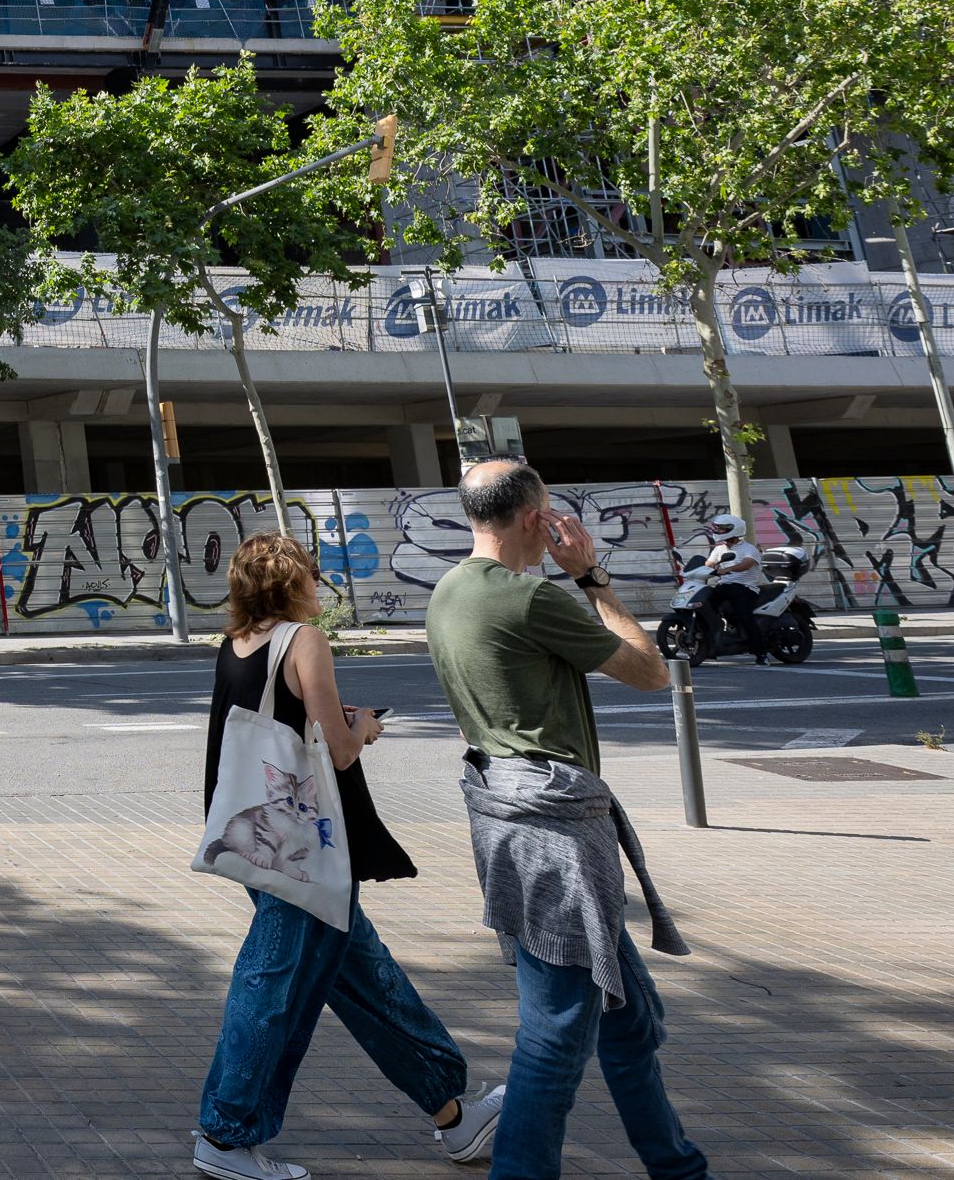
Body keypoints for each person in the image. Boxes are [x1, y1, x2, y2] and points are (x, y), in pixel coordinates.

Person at [426, 461, 712, 1180]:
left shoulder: (448, 591)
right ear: (534, 520)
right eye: (551, 514)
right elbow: (649, 670)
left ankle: (677, 1167)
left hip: (509, 817)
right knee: (554, 1035)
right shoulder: (530, 600)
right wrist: (591, 578)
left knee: (626, 1025)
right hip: (557, 837)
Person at [193, 533, 507, 1180]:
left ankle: (452, 1112)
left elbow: (275, 724)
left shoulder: (238, 643)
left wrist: (337, 717)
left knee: (365, 976)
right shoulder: (303, 639)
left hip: (262, 837)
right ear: (293, 582)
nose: (319, 581)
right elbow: (337, 750)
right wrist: (361, 727)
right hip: (300, 848)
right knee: (270, 982)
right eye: (312, 572)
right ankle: (226, 1136)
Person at [680, 514, 761, 657]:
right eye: (717, 528)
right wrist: (694, 572)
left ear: (733, 530)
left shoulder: (748, 548)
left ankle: (761, 652)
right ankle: (715, 639)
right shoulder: (719, 549)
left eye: (722, 529)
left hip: (744, 588)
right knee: (703, 605)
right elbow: (708, 564)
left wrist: (728, 569)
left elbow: (747, 564)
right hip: (723, 586)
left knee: (744, 616)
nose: (717, 531)